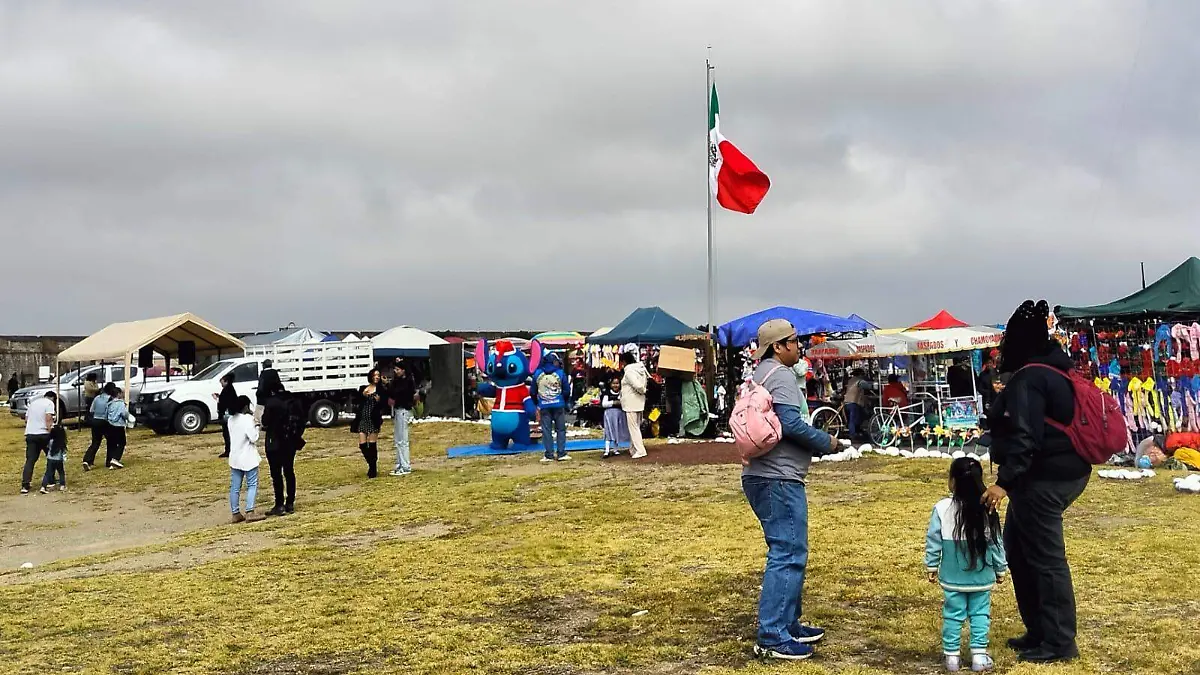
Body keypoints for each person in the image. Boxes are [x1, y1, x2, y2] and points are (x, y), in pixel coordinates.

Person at [982, 300, 1089, 664]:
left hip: (1043, 478)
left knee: (1044, 559)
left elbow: (1026, 437)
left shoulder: (1031, 378)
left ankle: (1059, 641)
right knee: (1019, 549)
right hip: (1056, 474)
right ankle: (1040, 630)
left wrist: (1003, 483)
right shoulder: (1052, 369)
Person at [742, 319, 840, 661]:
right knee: (787, 552)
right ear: (778, 346)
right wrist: (828, 442)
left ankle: (789, 623)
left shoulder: (760, 375)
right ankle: (772, 635)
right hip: (778, 478)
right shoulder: (781, 375)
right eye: (795, 341)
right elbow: (791, 424)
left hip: (762, 475)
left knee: (789, 550)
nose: (800, 347)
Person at [925, 457, 1008, 673]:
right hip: (981, 578)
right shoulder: (987, 508)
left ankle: (951, 657)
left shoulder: (942, 508)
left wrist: (932, 566)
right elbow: (996, 544)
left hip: (952, 577)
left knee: (952, 613)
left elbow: (933, 540)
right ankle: (979, 656)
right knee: (980, 613)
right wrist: (1001, 569)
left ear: (952, 481)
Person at [261, 388, 304, 515]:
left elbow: (265, 421)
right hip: (289, 441)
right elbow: (301, 420)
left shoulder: (271, 402)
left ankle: (279, 504)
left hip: (274, 442)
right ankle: (290, 502)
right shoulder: (292, 400)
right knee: (289, 471)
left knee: (276, 474)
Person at [227, 395, 262, 523]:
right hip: (248, 457)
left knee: (235, 487)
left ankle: (235, 512)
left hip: (235, 457)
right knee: (252, 484)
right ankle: (250, 511)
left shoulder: (231, 419)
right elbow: (254, 438)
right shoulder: (247, 419)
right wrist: (257, 425)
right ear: (246, 406)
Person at [533, 352, 571, 463]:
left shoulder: (537, 374)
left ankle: (549, 454)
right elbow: (567, 390)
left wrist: (537, 403)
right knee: (560, 429)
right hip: (558, 404)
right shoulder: (560, 373)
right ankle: (561, 453)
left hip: (544, 405)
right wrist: (564, 400)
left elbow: (532, 391)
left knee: (547, 430)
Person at [21, 392, 57, 494]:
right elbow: (48, 417)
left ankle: (25, 484)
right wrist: (51, 430)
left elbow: (26, 419)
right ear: (52, 398)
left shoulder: (33, 403)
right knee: (51, 457)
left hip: (30, 434)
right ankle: (50, 480)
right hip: (43, 433)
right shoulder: (49, 403)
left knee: (30, 460)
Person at [387, 361, 418, 476]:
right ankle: (399, 464)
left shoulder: (408, 382)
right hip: (397, 410)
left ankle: (406, 466)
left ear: (403, 370)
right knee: (398, 439)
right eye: (395, 369)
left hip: (404, 411)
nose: (396, 371)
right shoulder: (397, 381)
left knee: (403, 440)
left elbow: (400, 394)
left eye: (398, 369)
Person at [353, 369, 384, 478]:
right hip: (363, 419)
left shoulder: (380, 389)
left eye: (378, 375)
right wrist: (362, 395)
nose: (377, 377)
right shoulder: (363, 388)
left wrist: (379, 400)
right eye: (375, 375)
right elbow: (356, 402)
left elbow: (384, 405)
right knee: (362, 445)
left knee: (372, 445)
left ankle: (373, 468)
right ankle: (371, 464)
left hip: (373, 420)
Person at [620, 349, 649, 460]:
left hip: (631, 403)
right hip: (639, 402)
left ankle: (640, 450)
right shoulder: (640, 369)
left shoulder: (629, 372)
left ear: (624, 361)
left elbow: (638, 386)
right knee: (635, 427)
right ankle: (633, 448)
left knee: (633, 428)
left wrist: (643, 390)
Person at [82, 382, 115, 471]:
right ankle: (109, 461)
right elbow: (111, 411)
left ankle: (87, 460)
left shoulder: (97, 398)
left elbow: (91, 410)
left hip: (95, 421)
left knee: (95, 442)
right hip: (105, 421)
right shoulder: (110, 399)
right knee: (111, 442)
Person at [600, 377, 629, 457]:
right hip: (609, 415)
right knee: (608, 431)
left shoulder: (621, 393)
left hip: (619, 415)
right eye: (614, 383)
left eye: (617, 383)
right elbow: (604, 404)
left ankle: (616, 449)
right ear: (610, 384)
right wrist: (614, 402)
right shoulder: (607, 393)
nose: (615, 385)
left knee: (617, 430)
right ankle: (607, 450)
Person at [842, 369, 874, 440]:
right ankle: (852, 435)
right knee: (852, 420)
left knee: (861, 415)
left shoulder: (850, 380)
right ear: (860, 374)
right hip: (853, 403)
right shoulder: (860, 381)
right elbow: (869, 386)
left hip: (846, 402)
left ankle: (858, 430)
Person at [40, 423, 69, 494]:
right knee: (61, 472)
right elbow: (64, 451)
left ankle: (43, 487)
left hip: (50, 459)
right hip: (59, 459)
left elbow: (47, 447)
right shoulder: (61, 442)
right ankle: (62, 485)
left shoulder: (50, 441)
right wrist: (64, 458)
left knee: (48, 473)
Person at [105, 389, 130, 469]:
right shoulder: (121, 404)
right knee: (122, 443)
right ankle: (115, 459)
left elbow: (105, 414)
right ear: (118, 394)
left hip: (109, 425)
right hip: (118, 426)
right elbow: (124, 413)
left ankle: (110, 460)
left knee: (111, 444)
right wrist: (128, 417)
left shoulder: (109, 404)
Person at [215, 373, 237, 459]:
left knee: (227, 433)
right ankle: (229, 449)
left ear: (226, 381)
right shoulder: (230, 390)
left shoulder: (227, 391)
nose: (221, 384)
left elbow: (223, 403)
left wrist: (218, 399)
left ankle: (228, 450)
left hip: (227, 415)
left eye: (222, 382)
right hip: (230, 414)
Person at [256, 359, 282, 424]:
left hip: (265, 397)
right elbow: (278, 383)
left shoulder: (263, 374)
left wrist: (258, 394)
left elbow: (261, 386)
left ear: (264, 365)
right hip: (274, 396)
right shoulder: (274, 372)